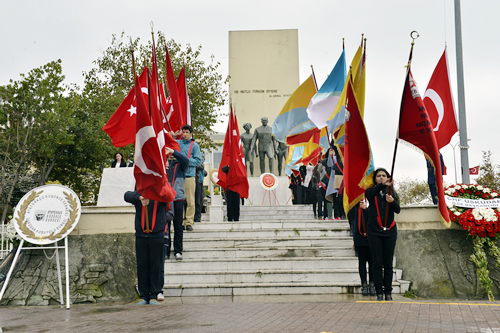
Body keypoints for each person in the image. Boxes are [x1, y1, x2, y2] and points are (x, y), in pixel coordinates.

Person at [124, 191, 174, 305]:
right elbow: (127, 196)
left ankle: (153, 295)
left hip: (157, 235)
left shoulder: (161, 194)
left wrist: (156, 194)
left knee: (156, 266)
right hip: (141, 235)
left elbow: (170, 195)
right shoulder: (140, 193)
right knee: (142, 265)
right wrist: (140, 197)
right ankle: (143, 295)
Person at [364, 168, 401, 301]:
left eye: (384, 176)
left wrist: (393, 202)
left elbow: (398, 210)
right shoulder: (372, 192)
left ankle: (388, 292)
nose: (381, 177)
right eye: (379, 176)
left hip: (390, 232)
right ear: (375, 179)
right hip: (374, 231)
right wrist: (382, 184)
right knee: (377, 262)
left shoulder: (392, 193)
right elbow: (370, 194)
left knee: (388, 263)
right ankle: (379, 292)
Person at [175, 125, 202, 231]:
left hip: (190, 176)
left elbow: (198, 161)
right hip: (178, 175)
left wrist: (185, 160)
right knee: (179, 200)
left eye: (187, 132)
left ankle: (189, 221)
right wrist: (172, 135)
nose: (185, 134)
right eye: (183, 132)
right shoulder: (177, 143)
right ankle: (180, 221)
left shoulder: (194, 145)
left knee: (190, 200)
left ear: (191, 134)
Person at [165, 147, 189, 261]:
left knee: (178, 226)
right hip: (166, 198)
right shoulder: (164, 162)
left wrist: (174, 152)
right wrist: (164, 158)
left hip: (178, 197)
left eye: (172, 151)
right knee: (166, 225)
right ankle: (166, 250)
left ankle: (178, 250)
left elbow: (186, 161)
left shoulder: (181, 164)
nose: (170, 154)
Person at [351, 199, 375, 296]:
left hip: (372, 237)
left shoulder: (373, 201)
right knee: (362, 262)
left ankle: (372, 284)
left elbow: (374, 217)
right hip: (360, 237)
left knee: (372, 262)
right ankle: (364, 284)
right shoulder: (356, 204)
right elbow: (353, 220)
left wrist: (366, 209)